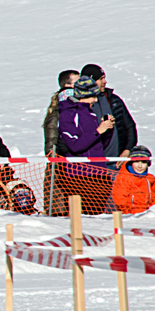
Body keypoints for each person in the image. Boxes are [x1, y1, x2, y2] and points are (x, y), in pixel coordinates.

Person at [56, 76, 113, 215]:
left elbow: (100, 144)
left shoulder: (91, 113)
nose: (95, 100)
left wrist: (107, 130)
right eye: (92, 96)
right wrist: (98, 131)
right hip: (80, 176)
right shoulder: (68, 115)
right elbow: (75, 146)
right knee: (82, 218)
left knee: (98, 217)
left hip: (99, 174)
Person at [80, 64, 137, 160]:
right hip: (92, 164)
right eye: (101, 79)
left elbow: (130, 126)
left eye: (104, 78)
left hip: (116, 162)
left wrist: (127, 150)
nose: (104, 82)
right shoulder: (79, 104)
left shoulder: (113, 100)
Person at [43, 70, 79, 217]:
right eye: (76, 83)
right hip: (60, 164)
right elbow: (51, 141)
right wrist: (55, 157)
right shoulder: (57, 113)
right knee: (60, 200)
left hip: (74, 162)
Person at [112, 145, 155, 215]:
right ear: (131, 162)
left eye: (143, 162)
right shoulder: (124, 178)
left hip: (147, 215)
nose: (140, 166)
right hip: (130, 216)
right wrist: (128, 214)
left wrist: (154, 212)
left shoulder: (149, 178)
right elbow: (120, 200)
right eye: (136, 162)